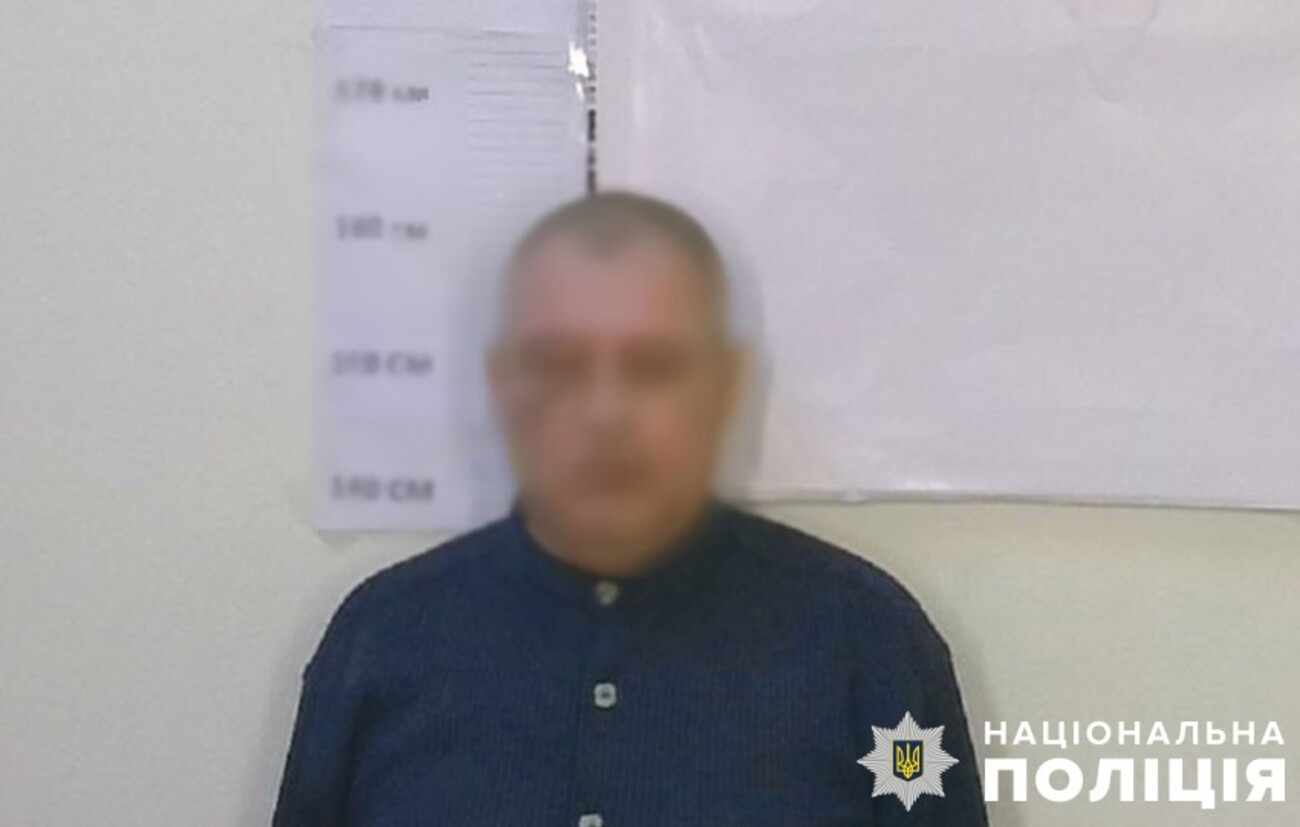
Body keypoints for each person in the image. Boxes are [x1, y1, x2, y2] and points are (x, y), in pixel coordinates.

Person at [273, 191, 988, 826]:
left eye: (654, 367)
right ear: (502, 384)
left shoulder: (869, 647)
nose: (605, 413)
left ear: (726, 385)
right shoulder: (382, 643)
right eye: (558, 365)